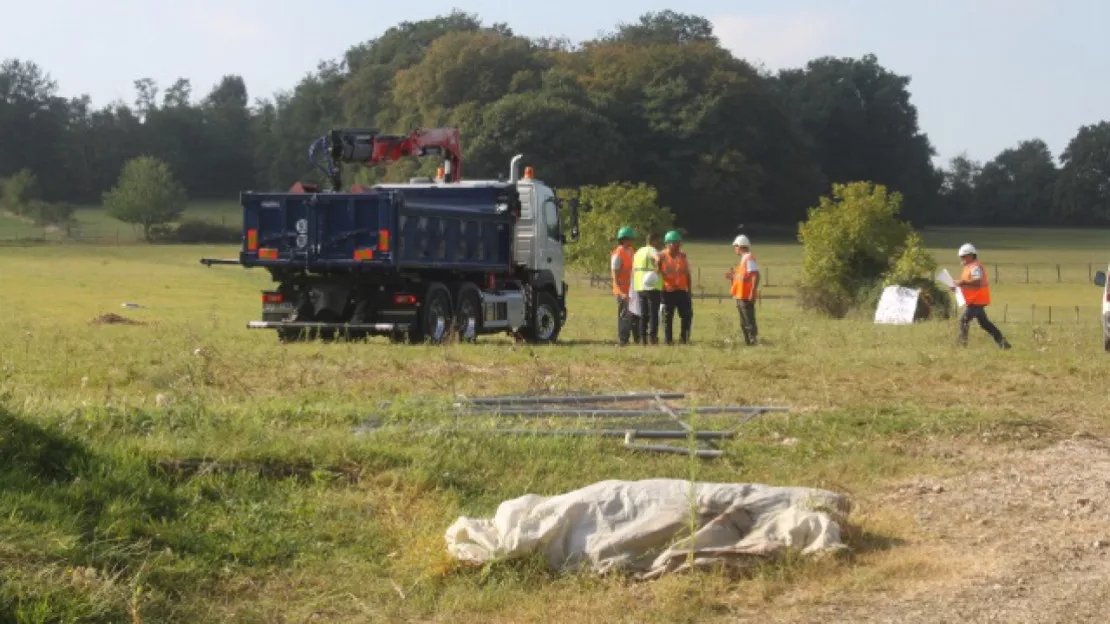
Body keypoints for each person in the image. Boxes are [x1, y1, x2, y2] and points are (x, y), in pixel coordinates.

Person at [952, 243, 1012, 349]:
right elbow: (967, 284)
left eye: (963, 256)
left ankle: (962, 344)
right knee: (985, 324)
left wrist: (960, 283)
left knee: (964, 320)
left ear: (971, 255)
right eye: (961, 257)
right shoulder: (968, 267)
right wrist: (957, 287)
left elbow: (977, 282)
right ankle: (1004, 344)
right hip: (974, 300)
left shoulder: (975, 267)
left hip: (977, 300)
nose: (961, 259)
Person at [658, 230, 693, 344]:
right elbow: (656, 273)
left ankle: (684, 339)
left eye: (679, 243)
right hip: (667, 291)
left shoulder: (683, 256)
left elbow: (687, 273)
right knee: (668, 317)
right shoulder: (661, 256)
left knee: (687, 315)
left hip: (682, 290)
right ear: (668, 243)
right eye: (675, 243)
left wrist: (689, 290)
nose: (678, 246)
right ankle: (668, 340)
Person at [726, 235, 759, 345]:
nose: (734, 249)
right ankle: (748, 342)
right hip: (740, 295)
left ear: (739, 246)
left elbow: (755, 275)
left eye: (735, 246)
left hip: (746, 295)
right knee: (743, 321)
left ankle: (752, 341)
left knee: (749, 319)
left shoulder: (748, 258)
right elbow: (744, 277)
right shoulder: (744, 259)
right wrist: (733, 276)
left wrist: (752, 292)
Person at [610, 226, 640, 346]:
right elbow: (615, 277)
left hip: (632, 290)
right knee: (625, 316)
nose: (633, 241)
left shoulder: (632, 251)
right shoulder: (617, 255)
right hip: (622, 291)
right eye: (631, 238)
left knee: (636, 315)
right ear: (624, 239)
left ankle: (639, 339)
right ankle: (623, 340)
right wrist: (622, 293)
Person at [632, 233, 663, 345]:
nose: (659, 243)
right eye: (658, 240)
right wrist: (656, 271)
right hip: (651, 286)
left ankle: (642, 338)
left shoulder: (638, 252)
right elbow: (658, 258)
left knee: (643, 313)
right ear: (653, 241)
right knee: (653, 313)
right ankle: (653, 338)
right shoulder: (652, 250)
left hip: (640, 286)